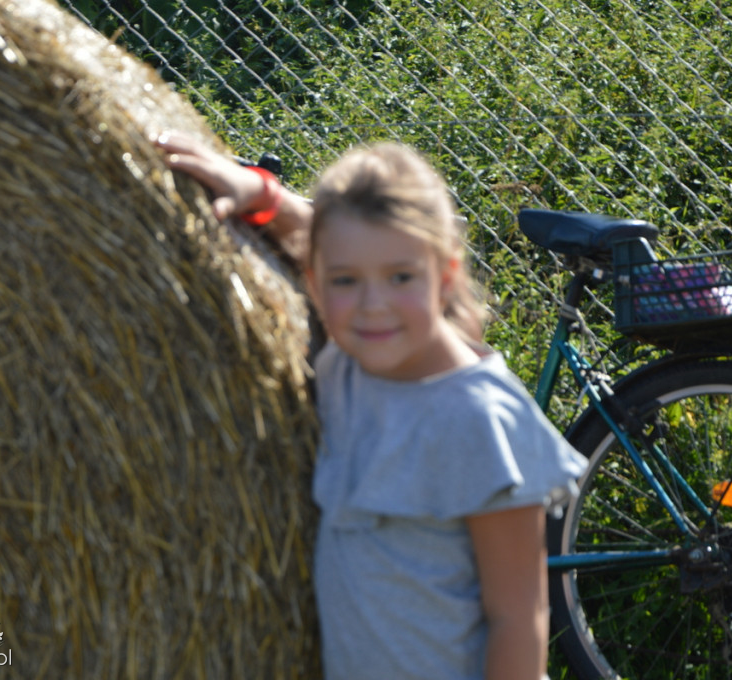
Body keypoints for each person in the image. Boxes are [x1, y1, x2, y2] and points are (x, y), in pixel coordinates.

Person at [156, 132, 587, 680]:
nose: (373, 304)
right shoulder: (348, 366)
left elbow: (517, 618)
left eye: (400, 277)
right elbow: (340, 242)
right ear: (315, 280)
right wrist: (265, 197)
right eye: (346, 282)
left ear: (445, 274)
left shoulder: (477, 418)